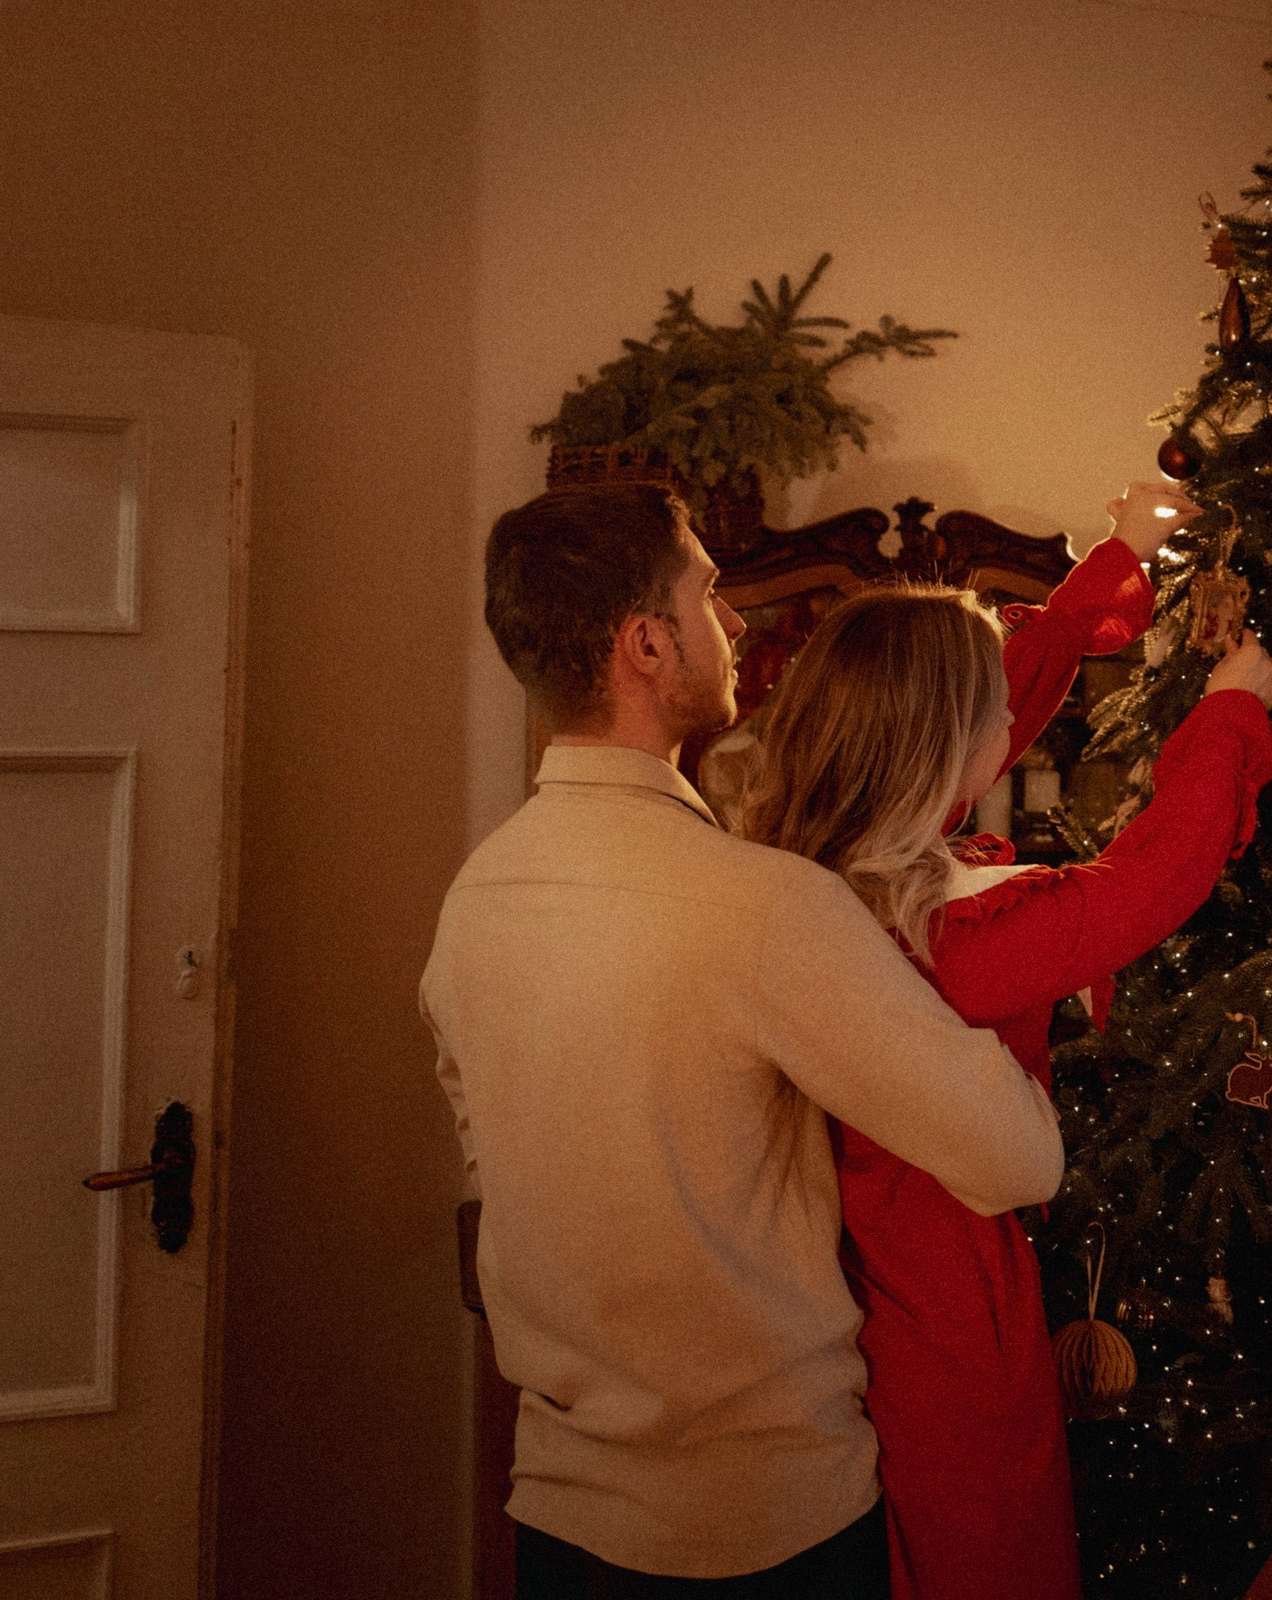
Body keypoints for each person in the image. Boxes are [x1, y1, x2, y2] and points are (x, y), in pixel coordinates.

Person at [421, 483, 1065, 1598]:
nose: (737, 626)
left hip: (563, 1525)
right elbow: (1018, 1157)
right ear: (646, 644)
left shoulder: (475, 898)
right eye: (710, 598)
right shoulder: (763, 908)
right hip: (771, 1528)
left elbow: (497, 1154)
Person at [739, 483, 1272, 1599]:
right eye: (989, 713)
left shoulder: (831, 862)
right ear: (942, 746)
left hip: (872, 1276)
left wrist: (1123, 553)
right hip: (942, 1297)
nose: (1015, 723)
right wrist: (1230, 708)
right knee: (983, 1539)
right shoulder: (953, 939)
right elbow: (1137, 886)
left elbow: (996, 697)